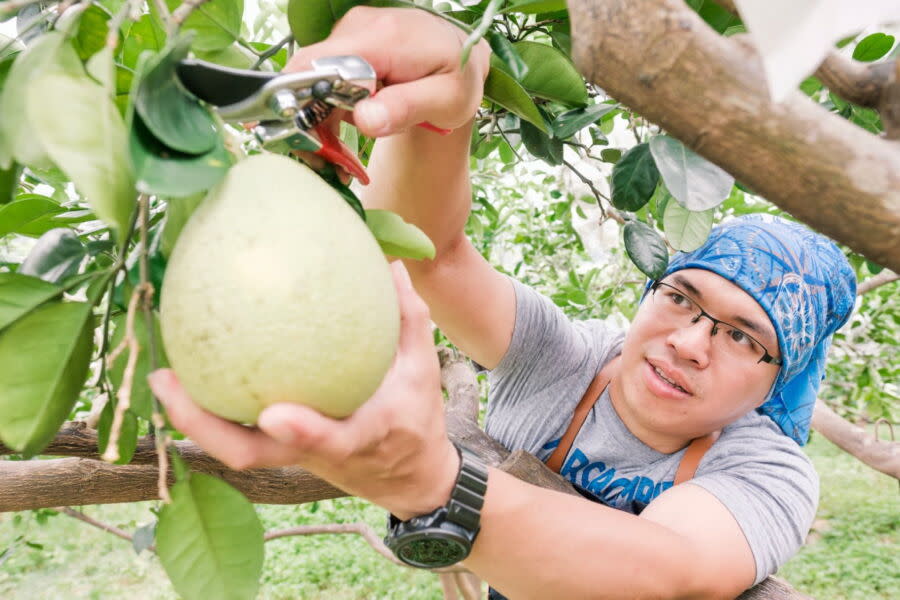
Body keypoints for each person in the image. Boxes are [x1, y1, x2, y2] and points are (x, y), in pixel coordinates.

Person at [147, 6, 857, 598]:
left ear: (779, 376)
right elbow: (437, 255)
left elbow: (669, 569)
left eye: (742, 337)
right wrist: (445, 103)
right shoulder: (570, 359)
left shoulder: (769, 470)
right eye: (681, 299)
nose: (689, 341)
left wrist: (427, 482)